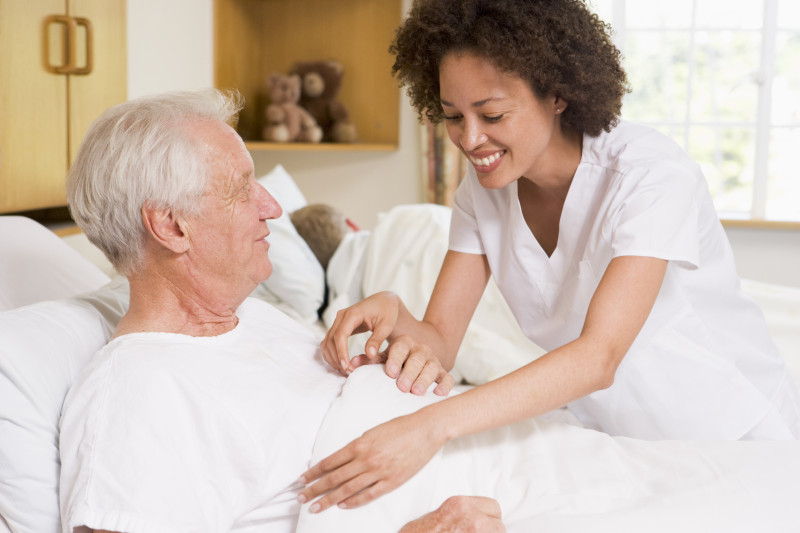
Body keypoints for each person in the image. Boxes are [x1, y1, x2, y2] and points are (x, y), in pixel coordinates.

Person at [298, 0, 800, 514]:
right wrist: (398, 315)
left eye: (492, 115)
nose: (470, 140)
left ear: (557, 94)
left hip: (731, 432)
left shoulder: (650, 175)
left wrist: (430, 427)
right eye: (452, 116)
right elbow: (441, 343)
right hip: (618, 440)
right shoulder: (483, 193)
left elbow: (598, 357)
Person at [57, 89, 497, 532]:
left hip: (497, 471)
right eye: (242, 189)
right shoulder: (136, 395)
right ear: (171, 225)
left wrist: (408, 370)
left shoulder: (256, 316)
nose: (272, 207)